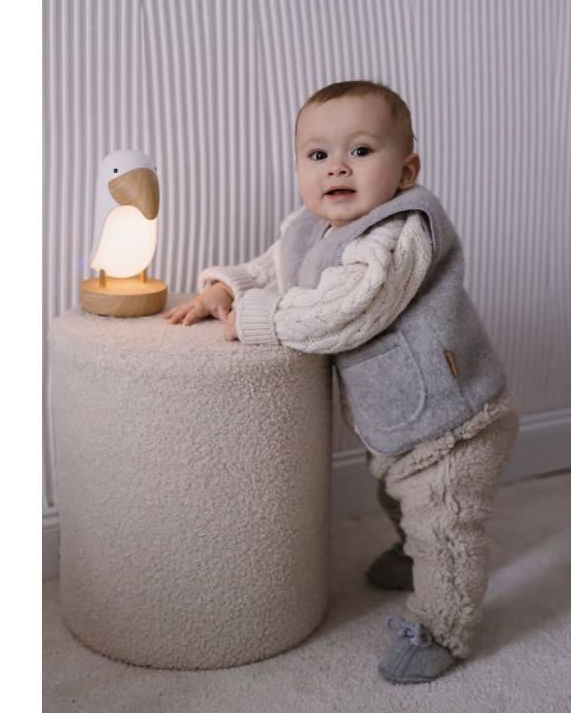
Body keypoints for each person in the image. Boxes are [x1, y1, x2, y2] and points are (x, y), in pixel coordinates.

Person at [163, 80, 519, 684]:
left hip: (455, 421)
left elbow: (348, 306)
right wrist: (229, 286)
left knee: (445, 524)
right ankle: (410, 551)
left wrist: (256, 319)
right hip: (399, 417)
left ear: (406, 170)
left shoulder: (398, 230)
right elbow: (276, 265)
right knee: (398, 497)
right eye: (318, 154)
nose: (337, 167)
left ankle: (442, 627)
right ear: (299, 167)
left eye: (360, 150)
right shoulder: (309, 227)